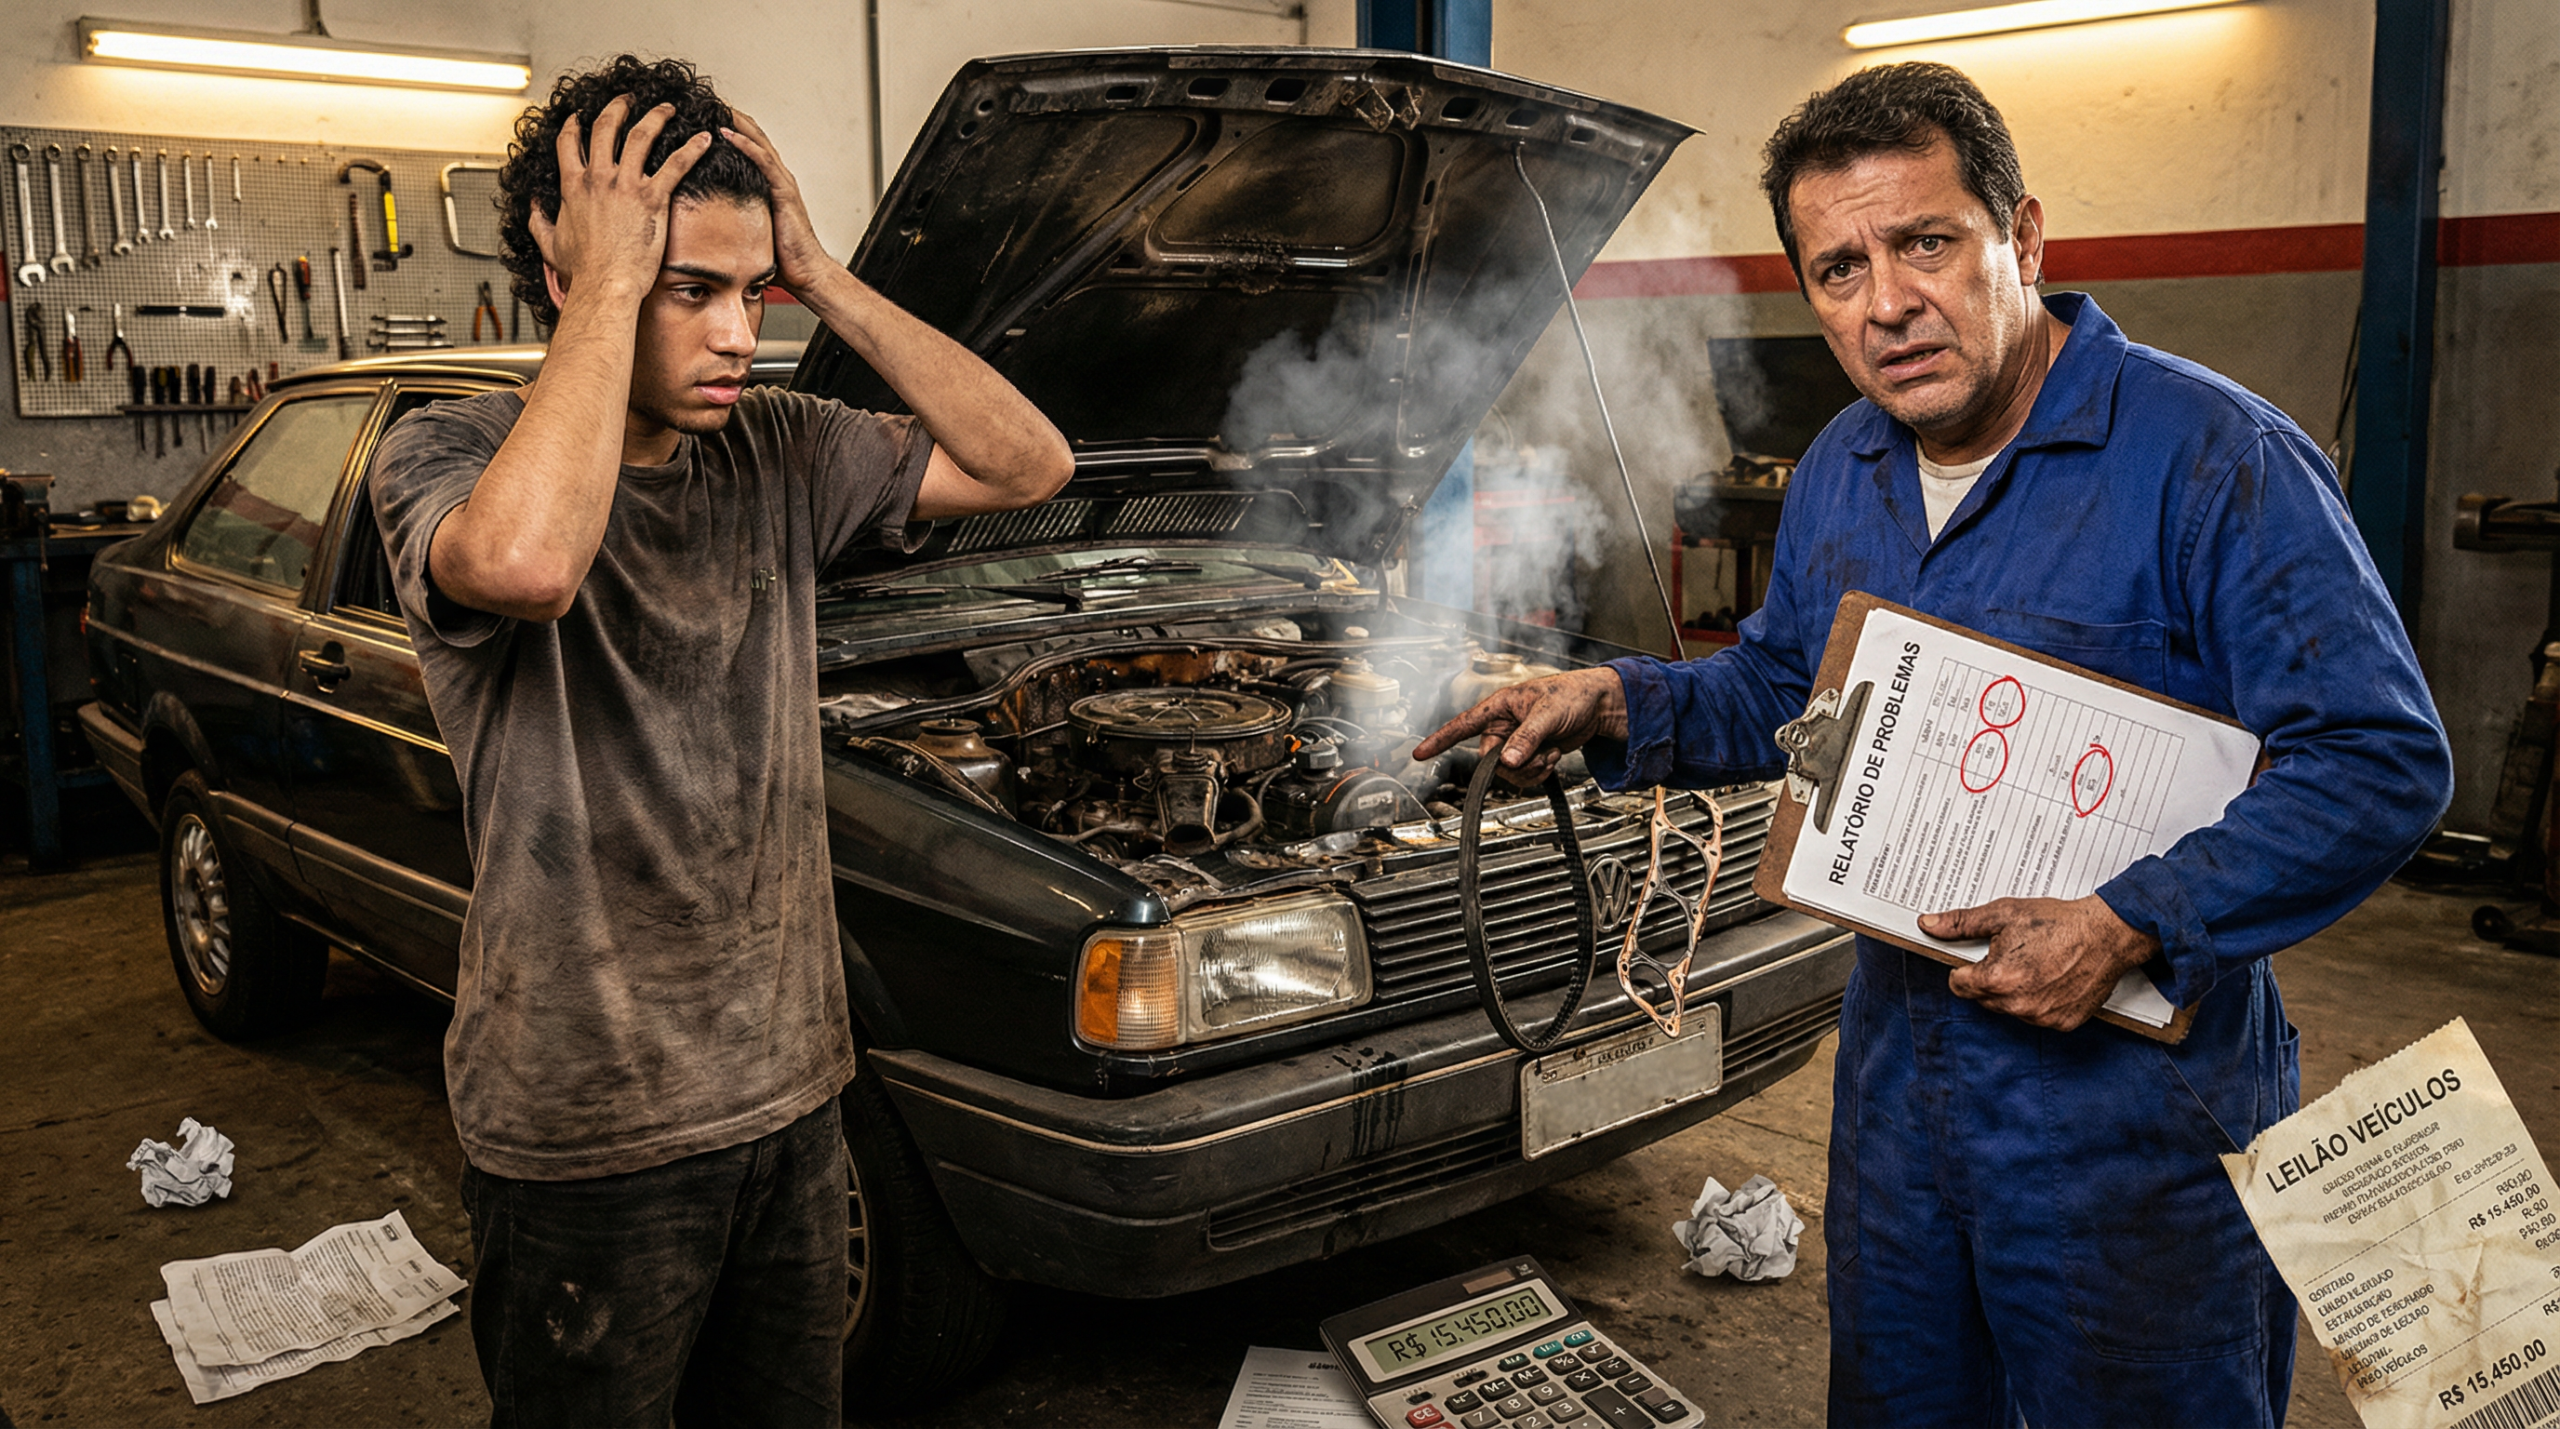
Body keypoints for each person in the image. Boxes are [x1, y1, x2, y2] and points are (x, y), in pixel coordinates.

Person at [1417, 62, 2451, 1426]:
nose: (1887, 302)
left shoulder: (2213, 461)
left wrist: (2130, 920)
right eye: (1839, 268)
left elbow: (2378, 757)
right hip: (1906, 1089)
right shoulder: (1848, 463)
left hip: (2136, 1122)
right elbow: (1795, 690)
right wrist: (1620, 702)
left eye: (1926, 244)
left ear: (2022, 239)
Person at [369, 56, 1072, 1425]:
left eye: (752, 293)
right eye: (692, 288)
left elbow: (1026, 466)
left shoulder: (782, 451)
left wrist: (824, 270)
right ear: (574, 275)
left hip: (793, 1097)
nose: (739, 334)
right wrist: (612, 282)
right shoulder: (443, 452)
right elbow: (523, 567)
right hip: (588, 1127)